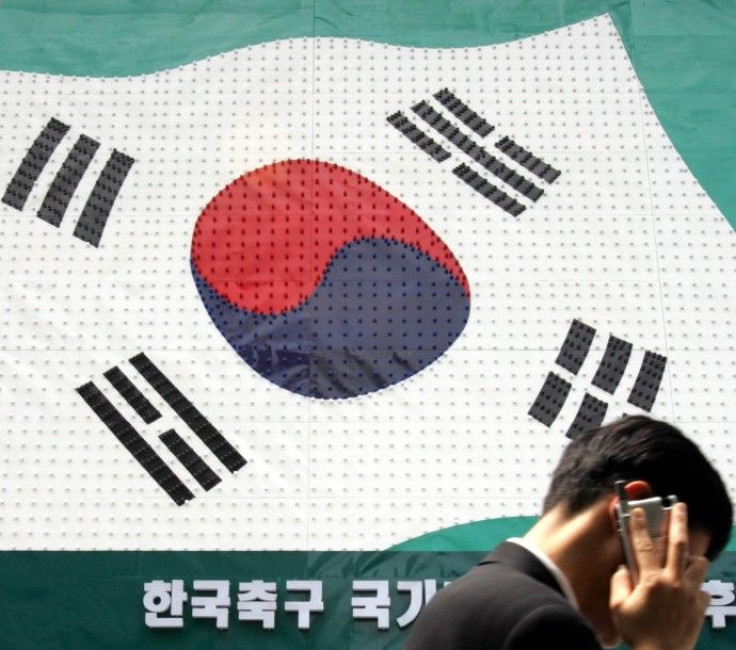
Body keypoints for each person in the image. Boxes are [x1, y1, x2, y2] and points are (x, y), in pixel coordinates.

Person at [405, 416, 733, 649]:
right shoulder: (547, 626)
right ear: (634, 509)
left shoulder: (466, 596)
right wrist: (662, 645)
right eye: (674, 564)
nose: (670, 589)